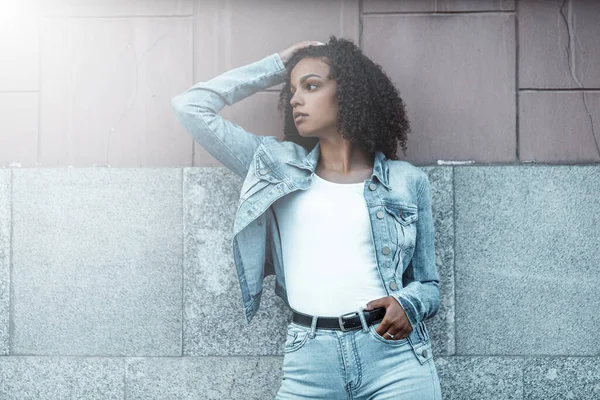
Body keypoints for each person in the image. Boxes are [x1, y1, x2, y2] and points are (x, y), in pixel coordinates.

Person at [172, 35, 442, 400]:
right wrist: (275, 66)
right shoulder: (274, 166)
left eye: (311, 86)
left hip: (395, 359)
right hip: (310, 361)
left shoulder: (407, 181)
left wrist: (408, 305)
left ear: (348, 93)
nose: (296, 99)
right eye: (292, 89)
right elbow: (190, 107)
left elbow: (427, 284)